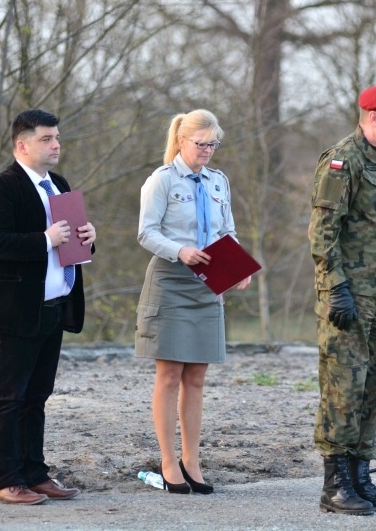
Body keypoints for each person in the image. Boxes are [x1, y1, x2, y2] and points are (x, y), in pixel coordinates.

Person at [0, 109, 96, 505]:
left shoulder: (58, 184)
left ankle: (34, 473)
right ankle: (5, 480)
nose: (56, 145)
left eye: (57, 137)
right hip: (13, 310)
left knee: (38, 395)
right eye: (46, 139)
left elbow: (73, 245)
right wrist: (45, 239)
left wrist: (88, 239)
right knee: (10, 396)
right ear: (22, 145)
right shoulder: (1, 187)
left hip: (54, 305)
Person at [308, 82, 376, 515]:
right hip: (351, 296)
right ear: (373, 117)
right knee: (343, 387)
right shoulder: (342, 160)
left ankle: (360, 476)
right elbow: (322, 232)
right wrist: (335, 287)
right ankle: (334, 483)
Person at [135, 109, 251, 494]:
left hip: (208, 283)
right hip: (171, 281)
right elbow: (146, 233)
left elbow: (227, 230)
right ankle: (168, 461)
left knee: (197, 378)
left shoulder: (219, 181)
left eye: (212, 144)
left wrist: (237, 266)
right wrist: (179, 251)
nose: (207, 151)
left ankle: (192, 460)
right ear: (182, 141)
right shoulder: (162, 181)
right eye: (200, 144)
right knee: (169, 376)